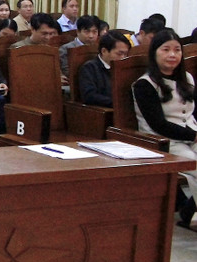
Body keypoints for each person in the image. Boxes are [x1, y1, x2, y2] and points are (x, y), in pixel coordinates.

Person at [131, 29, 197, 229]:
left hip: (191, 134)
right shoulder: (145, 84)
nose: (172, 55)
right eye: (166, 50)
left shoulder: (187, 78)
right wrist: (193, 136)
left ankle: (189, 212)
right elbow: (158, 124)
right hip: (163, 141)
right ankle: (190, 213)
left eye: (177, 50)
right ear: (154, 53)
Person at [78, 31, 130, 107]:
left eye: (125, 54)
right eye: (119, 54)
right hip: (105, 109)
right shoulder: (89, 68)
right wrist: (117, 103)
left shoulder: (125, 67)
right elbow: (89, 96)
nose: (123, 58)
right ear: (104, 51)